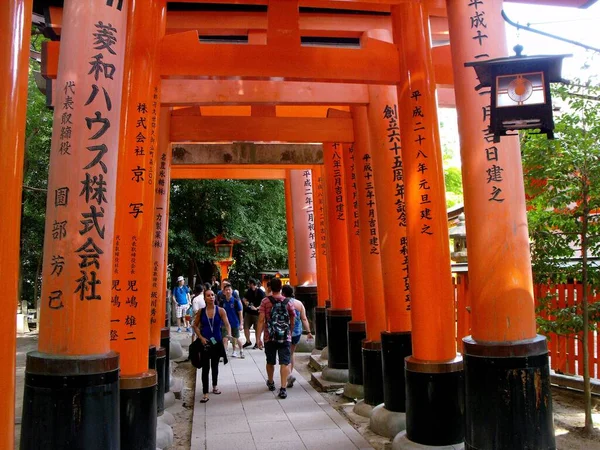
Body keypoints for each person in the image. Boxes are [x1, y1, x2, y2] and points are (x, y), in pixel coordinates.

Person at [257, 278, 295, 399]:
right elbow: (293, 318)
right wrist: (290, 331)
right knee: (284, 362)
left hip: (270, 336)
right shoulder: (288, 302)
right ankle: (283, 388)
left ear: (269, 288)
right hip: (285, 336)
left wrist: (259, 338)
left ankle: (271, 381)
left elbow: (261, 320)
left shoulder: (265, 302)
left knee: (270, 361)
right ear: (281, 288)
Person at [192, 289, 231, 403]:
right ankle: (205, 393)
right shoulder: (201, 311)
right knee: (205, 368)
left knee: (215, 365)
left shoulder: (220, 310)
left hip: (217, 342)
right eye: (208, 295)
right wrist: (201, 337)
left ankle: (214, 386)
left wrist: (227, 336)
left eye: (212, 295)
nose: (211, 297)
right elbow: (195, 325)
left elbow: (227, 324)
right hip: (205, 342)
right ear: (205, 298)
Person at [281, 285, 313, 388]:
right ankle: (290, 372)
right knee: (291, 353)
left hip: (285, 332)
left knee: (285, 353)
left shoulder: (282, 303)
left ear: (283, 293)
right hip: (297, 332)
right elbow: (304, 318)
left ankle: (289, 375)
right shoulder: (299, 304)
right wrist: (308, 331)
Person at [220, 283, 244, 358]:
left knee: (235, 338)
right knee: (225, 339)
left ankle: (240, 351)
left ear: (232, 291)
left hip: (234, 323)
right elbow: (219, 313)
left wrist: (241, 324)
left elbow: (240, 313)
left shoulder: (236, 301)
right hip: (225, 324)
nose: (227, 291)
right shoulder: (222, 302)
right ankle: (224, 353)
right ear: (223, 292)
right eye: (226, 290)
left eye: (229, 290)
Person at [242, 278, 265, 349]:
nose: (248, 285)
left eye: (249, 284)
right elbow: (244, 298)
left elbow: (264, 301)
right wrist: (246, 303)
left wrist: (257, 308)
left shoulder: (260, 292)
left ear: (252, 284)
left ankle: (257, 342)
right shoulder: (248, 291)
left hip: (256, 313)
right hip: (248, 312)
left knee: (257, 328)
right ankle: (248, 341)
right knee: (246, 327)